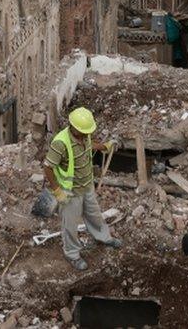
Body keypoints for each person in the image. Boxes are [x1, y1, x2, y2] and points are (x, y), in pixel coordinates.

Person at [43, 107, 122, 270]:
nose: (87, 135)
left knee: (95, 215)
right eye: (84, 132)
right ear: (74, 128)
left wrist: (104, 147)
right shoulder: (60, 143)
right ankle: (72, 254)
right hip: (70, 192)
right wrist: (57, 191)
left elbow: (89, 145)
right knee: (70, 225)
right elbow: (47, 167)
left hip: (87, 186)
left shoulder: (83, 135)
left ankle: (103, 237)